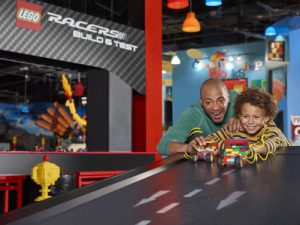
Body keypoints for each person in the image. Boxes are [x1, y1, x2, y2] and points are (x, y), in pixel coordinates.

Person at [190, 88, 292, 154]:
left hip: (291, 157)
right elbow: (213, 139)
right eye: (246, 116)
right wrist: (201, 142)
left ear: (266, 118)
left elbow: (270, 144)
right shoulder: (237, 127)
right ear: (239, 115)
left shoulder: (270, 128)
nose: (250, 122)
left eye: (256, 117)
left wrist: (249, 149)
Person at [157, 79, 239, 156]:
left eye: (221, 100)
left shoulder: (238, 101)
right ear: (201, 102)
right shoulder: (193, 114)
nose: (215, 107)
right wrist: (187, 147)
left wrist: (241, 118)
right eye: (208, 102)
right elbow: (163, 145)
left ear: (228, 98)